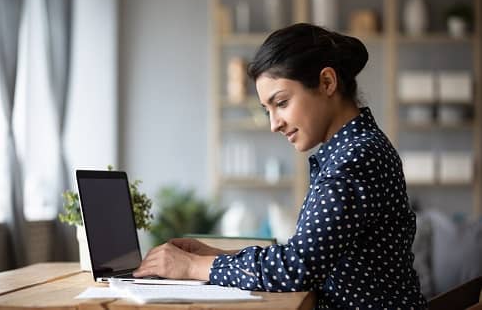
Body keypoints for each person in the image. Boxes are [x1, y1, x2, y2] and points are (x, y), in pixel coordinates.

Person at [133, 23, 428, 309]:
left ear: (327, 82)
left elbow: (296, 268)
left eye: (282, 102)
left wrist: (194, 266)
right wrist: (217, 257)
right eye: (267, 110)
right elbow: (306, 253)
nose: (274, 124)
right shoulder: (352, 150)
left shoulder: (356, 158)